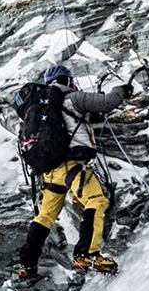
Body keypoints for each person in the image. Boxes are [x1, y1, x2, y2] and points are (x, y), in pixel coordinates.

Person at [15, 64, 132, 277]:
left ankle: (27, 264)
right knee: (96, 200)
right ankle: (88, 254)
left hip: (49, 172)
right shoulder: (73, 98)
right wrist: (122, 90)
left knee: (45, 217)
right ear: (68, 81)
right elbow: (107, 103)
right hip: (72, 166)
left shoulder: (38, 108)